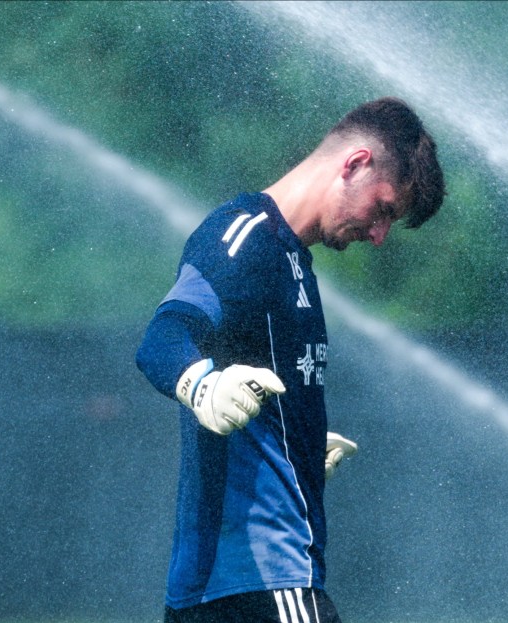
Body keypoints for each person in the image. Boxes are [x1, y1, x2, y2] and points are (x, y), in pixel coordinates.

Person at [135, 97, 445, 623]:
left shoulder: (293, 259)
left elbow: (254, 378)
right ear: (355, 164)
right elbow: (163, 338)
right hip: (259, 581)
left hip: (224, 592)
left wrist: (295, 442)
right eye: (385, 209)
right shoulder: (245, 239)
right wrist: (202, 388)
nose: (379, 234)